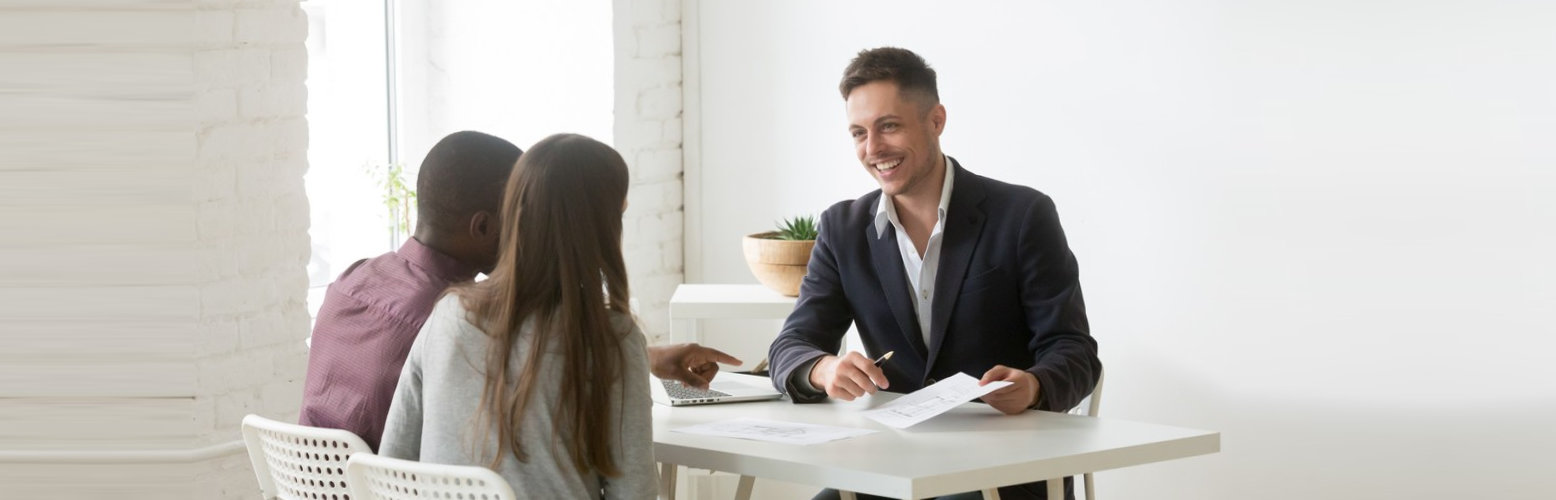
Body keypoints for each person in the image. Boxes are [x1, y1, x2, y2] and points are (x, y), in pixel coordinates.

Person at [766, 47, 1102, 500]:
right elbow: (790, 345)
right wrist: (822, 369)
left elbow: (1074, 350)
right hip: (893, 465)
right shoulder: (842, 229)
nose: (873, 149)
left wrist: (1034, 386)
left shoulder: (1022, 215)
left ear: (936, 120)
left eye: (889, 126)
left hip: (1002, 469)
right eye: (858, 133)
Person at [301, 131, 740, 449]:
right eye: (520, 213)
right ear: (485, 226)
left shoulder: (355, 277)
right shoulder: (444, 318)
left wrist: (644, 357)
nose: (531, 228)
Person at [379, 134, 653, 499]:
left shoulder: (449, 314)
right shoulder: (611, 338)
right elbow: (634, 492)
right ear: (603, 227)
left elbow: (391, 463)